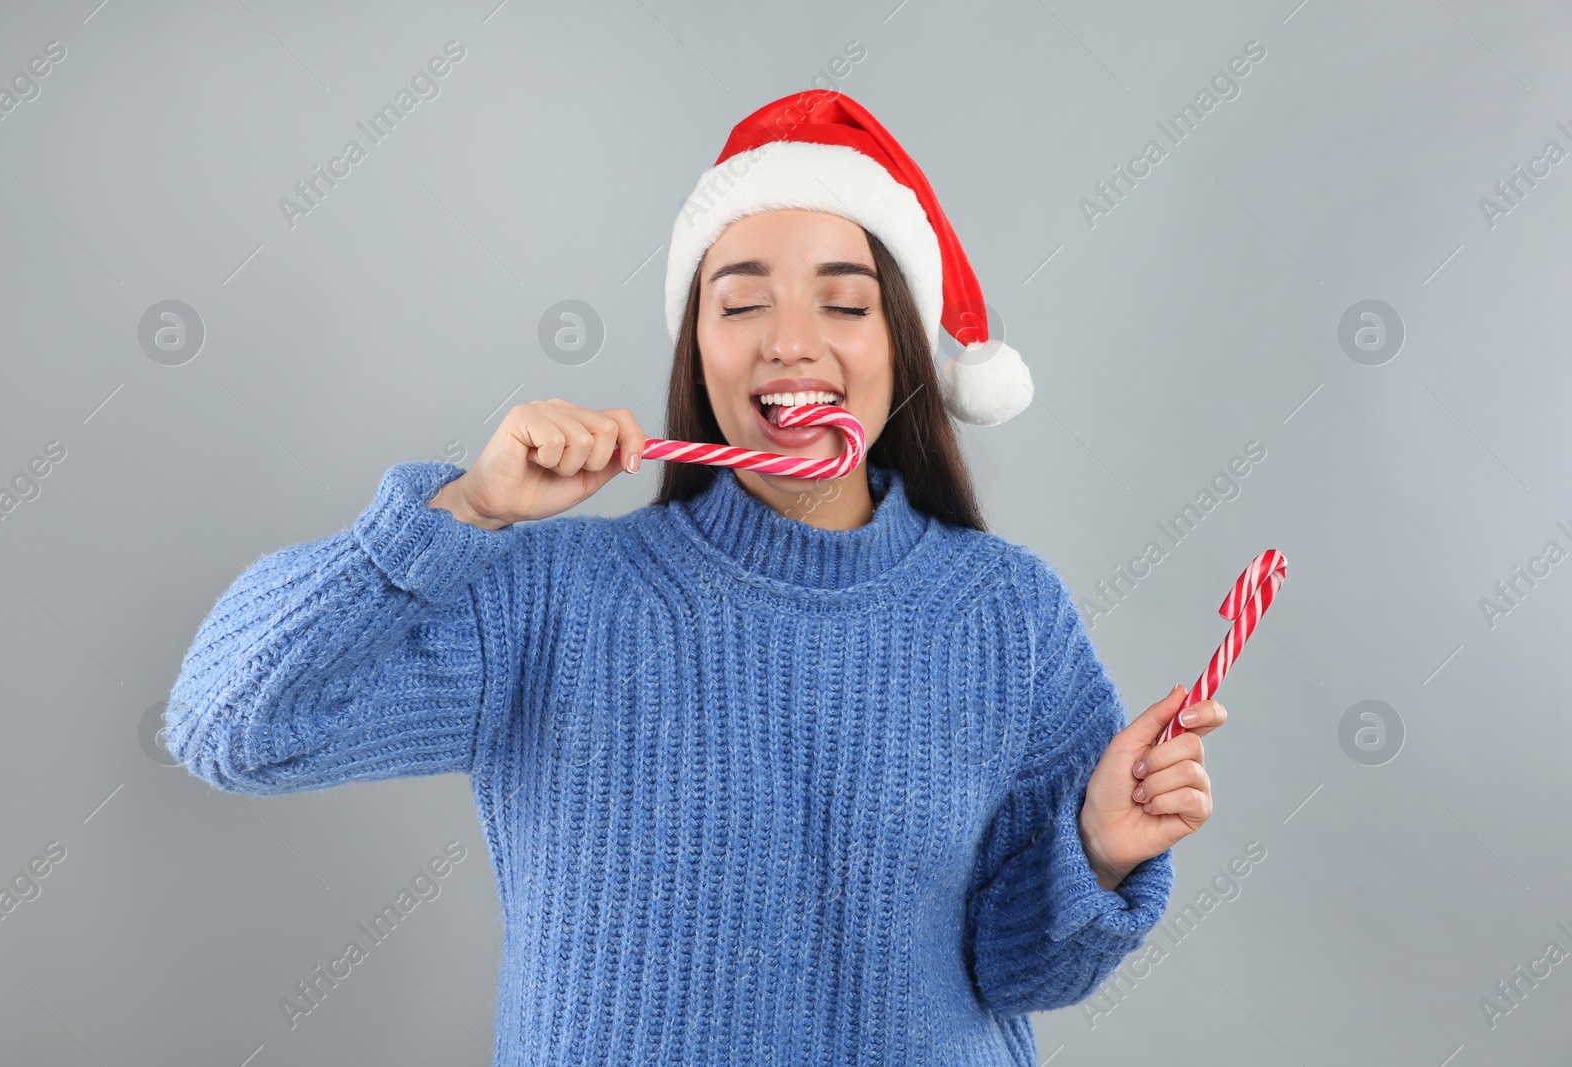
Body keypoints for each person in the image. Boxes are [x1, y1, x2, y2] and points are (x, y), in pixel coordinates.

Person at [166, 91, 1226, 1065]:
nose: (792, 343)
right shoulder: (553, 594)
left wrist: (1090, 852)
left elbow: (1017, 971)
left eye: (846, 306)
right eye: (741, 303)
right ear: (696, 347)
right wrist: (463, 513)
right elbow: (233, 726)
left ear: (902, 350)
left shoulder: (1006, 609)